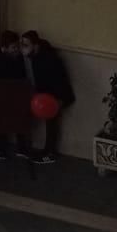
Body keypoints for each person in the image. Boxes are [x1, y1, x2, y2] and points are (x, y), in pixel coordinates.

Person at [10, 31, 73, 163]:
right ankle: (41, 150)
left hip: (56, 95)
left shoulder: (47, 59)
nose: (23, 47)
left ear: (36, 45)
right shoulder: (37, 57)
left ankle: (49, 152)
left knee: (51, 122)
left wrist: (58, 99)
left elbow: (55, 81)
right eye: (22, 44)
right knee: (49, 121)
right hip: (47, 95)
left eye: (26, 44)